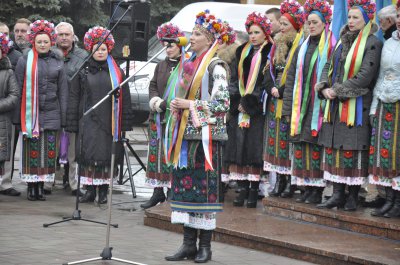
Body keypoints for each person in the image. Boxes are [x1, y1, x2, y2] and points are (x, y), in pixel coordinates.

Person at [164, 10, 235, 263]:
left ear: (209, 39)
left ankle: (205, 246)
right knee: (185, 190)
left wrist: (189, 105)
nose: (190, 38)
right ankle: (187, 245)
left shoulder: (216, 67)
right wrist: (176, 105)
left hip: (206, 141)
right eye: (192, 33)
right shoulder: (190, 64)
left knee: (204, 192)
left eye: (196, 34)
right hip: (186, 138)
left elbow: (222, 104)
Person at [316, 0, 382, 211]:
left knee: (352, 149)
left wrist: (338, 90)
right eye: (350, 17)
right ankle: (337, 193)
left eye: (356, 18)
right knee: (336, 147)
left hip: (357, 105)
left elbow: (365, 75)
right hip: (336, 104)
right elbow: (328, 66)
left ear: (366, 20)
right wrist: (325, 87)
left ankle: (352, 195)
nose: (351, 21)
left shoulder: (372, 43)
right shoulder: (341, 42)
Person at [66, 26, 133, 205]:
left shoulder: (117, 73)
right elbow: (74, 96)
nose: (100, 52)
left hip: (109, 121)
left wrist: (125, 122)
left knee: (105, 155)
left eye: (103, 48)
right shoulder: (83, 71)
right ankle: (89, 191)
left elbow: (125, 98)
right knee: (87, 154)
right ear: (90, 48)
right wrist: (72, 121)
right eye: (97, 48)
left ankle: (103, 191)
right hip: (87, 120)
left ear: (108, 49)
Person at [14, 20, 69, 201]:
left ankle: (41, 186)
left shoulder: (58, 62)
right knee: (32, 151)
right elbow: (19, 88)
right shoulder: (24, 61)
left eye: (46, 42)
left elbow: (63, 91)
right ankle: (31, 187)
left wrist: (63, 117)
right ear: (34, 43)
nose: (43, 45)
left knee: (48, 152)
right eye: (39, 42)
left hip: (52, 112)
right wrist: (18, 117)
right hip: (31, 114)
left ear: (51, 42)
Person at [224, 12, 273, 209]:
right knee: (239, 147)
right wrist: (236, 100)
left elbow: (267, 80)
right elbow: (234, 79)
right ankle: (242, 187)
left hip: (257, 108)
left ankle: (254, 189)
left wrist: (251, 101)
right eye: (250, 32)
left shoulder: (271, 51)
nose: (252, 36)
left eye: (257, 32)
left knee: (254, 148)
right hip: (240, 107)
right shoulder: (242, 51)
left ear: (265, 33)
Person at [263, 0, 306, 199]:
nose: (281, 27)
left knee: (287, 141)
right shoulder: (275, 45)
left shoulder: (300, 44)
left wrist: (282, 90)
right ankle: (279, 179)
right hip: (274, 100)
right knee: (275, 142)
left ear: (295, 26)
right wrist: (271, 86)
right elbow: (268, 70)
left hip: (288, 98)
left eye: (285, 24)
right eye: (280, 23)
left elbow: (298, 73)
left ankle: (290, 180)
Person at [140, 23, 185, 209]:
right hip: (158, 118)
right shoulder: (160, 65)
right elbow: (152, 86)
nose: (167, 49)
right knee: (156, 156)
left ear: (180, 46)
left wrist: (173, 104)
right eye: (165, 46)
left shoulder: (187, 66)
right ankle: (157, 192)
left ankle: (172, 191)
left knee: (172, 155)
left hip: (176, 119)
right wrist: (156, 102)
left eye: (171, 45)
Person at [368, 2, 400, 218]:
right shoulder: (389, 42)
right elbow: (380, 74)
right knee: (386, 153)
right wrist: (373, 107)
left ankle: (397, 201)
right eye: (399, 15)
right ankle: (389, 198)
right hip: (384, 101)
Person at [55, 22, 88, 196]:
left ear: (73, 35)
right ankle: (47, 183)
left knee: (74, 151)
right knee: (53, 148)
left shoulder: (83, 56)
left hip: (75, 109)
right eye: (60, 35)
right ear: (56, 37)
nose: (64, 38)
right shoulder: (50, 54)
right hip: (53, 109)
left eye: (67, 34)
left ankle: (75, 184)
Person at [0, 24, 22, 197]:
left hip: (4, 119)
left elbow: (14, 95)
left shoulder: (8, 72)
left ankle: (5, 183)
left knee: (4, 151)